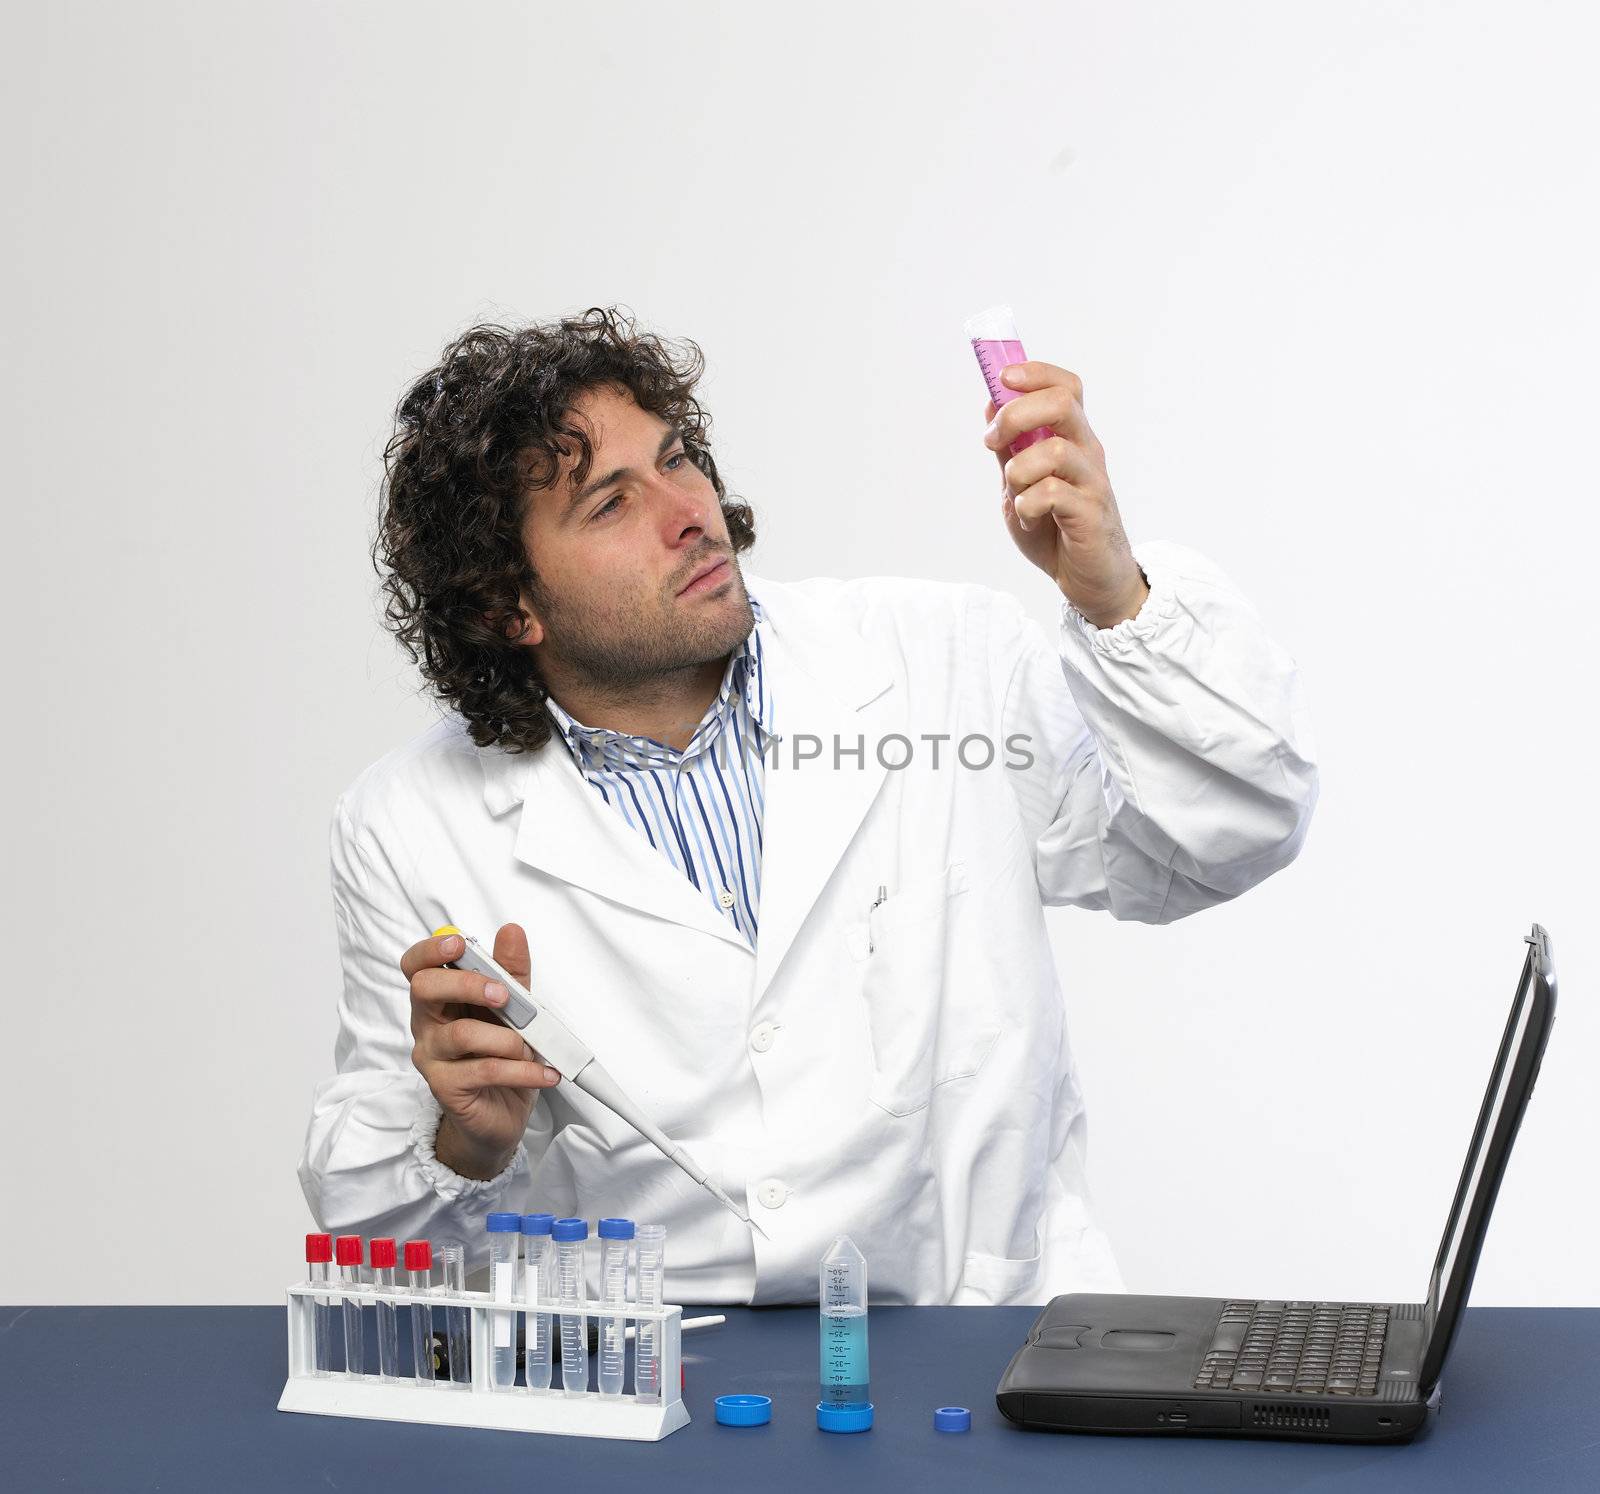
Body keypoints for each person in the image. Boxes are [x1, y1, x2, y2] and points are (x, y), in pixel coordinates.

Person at [297, 306, 1319, 1304]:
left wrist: (1114, 600)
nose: (688, 510)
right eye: (610, 503)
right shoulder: (408, 824)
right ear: (503, 605)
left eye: (678, 456)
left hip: (972, 1340)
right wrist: (466, 1144)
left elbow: (1225, 835)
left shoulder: (938, 661)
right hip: (659, 1373)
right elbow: (381, 1251)